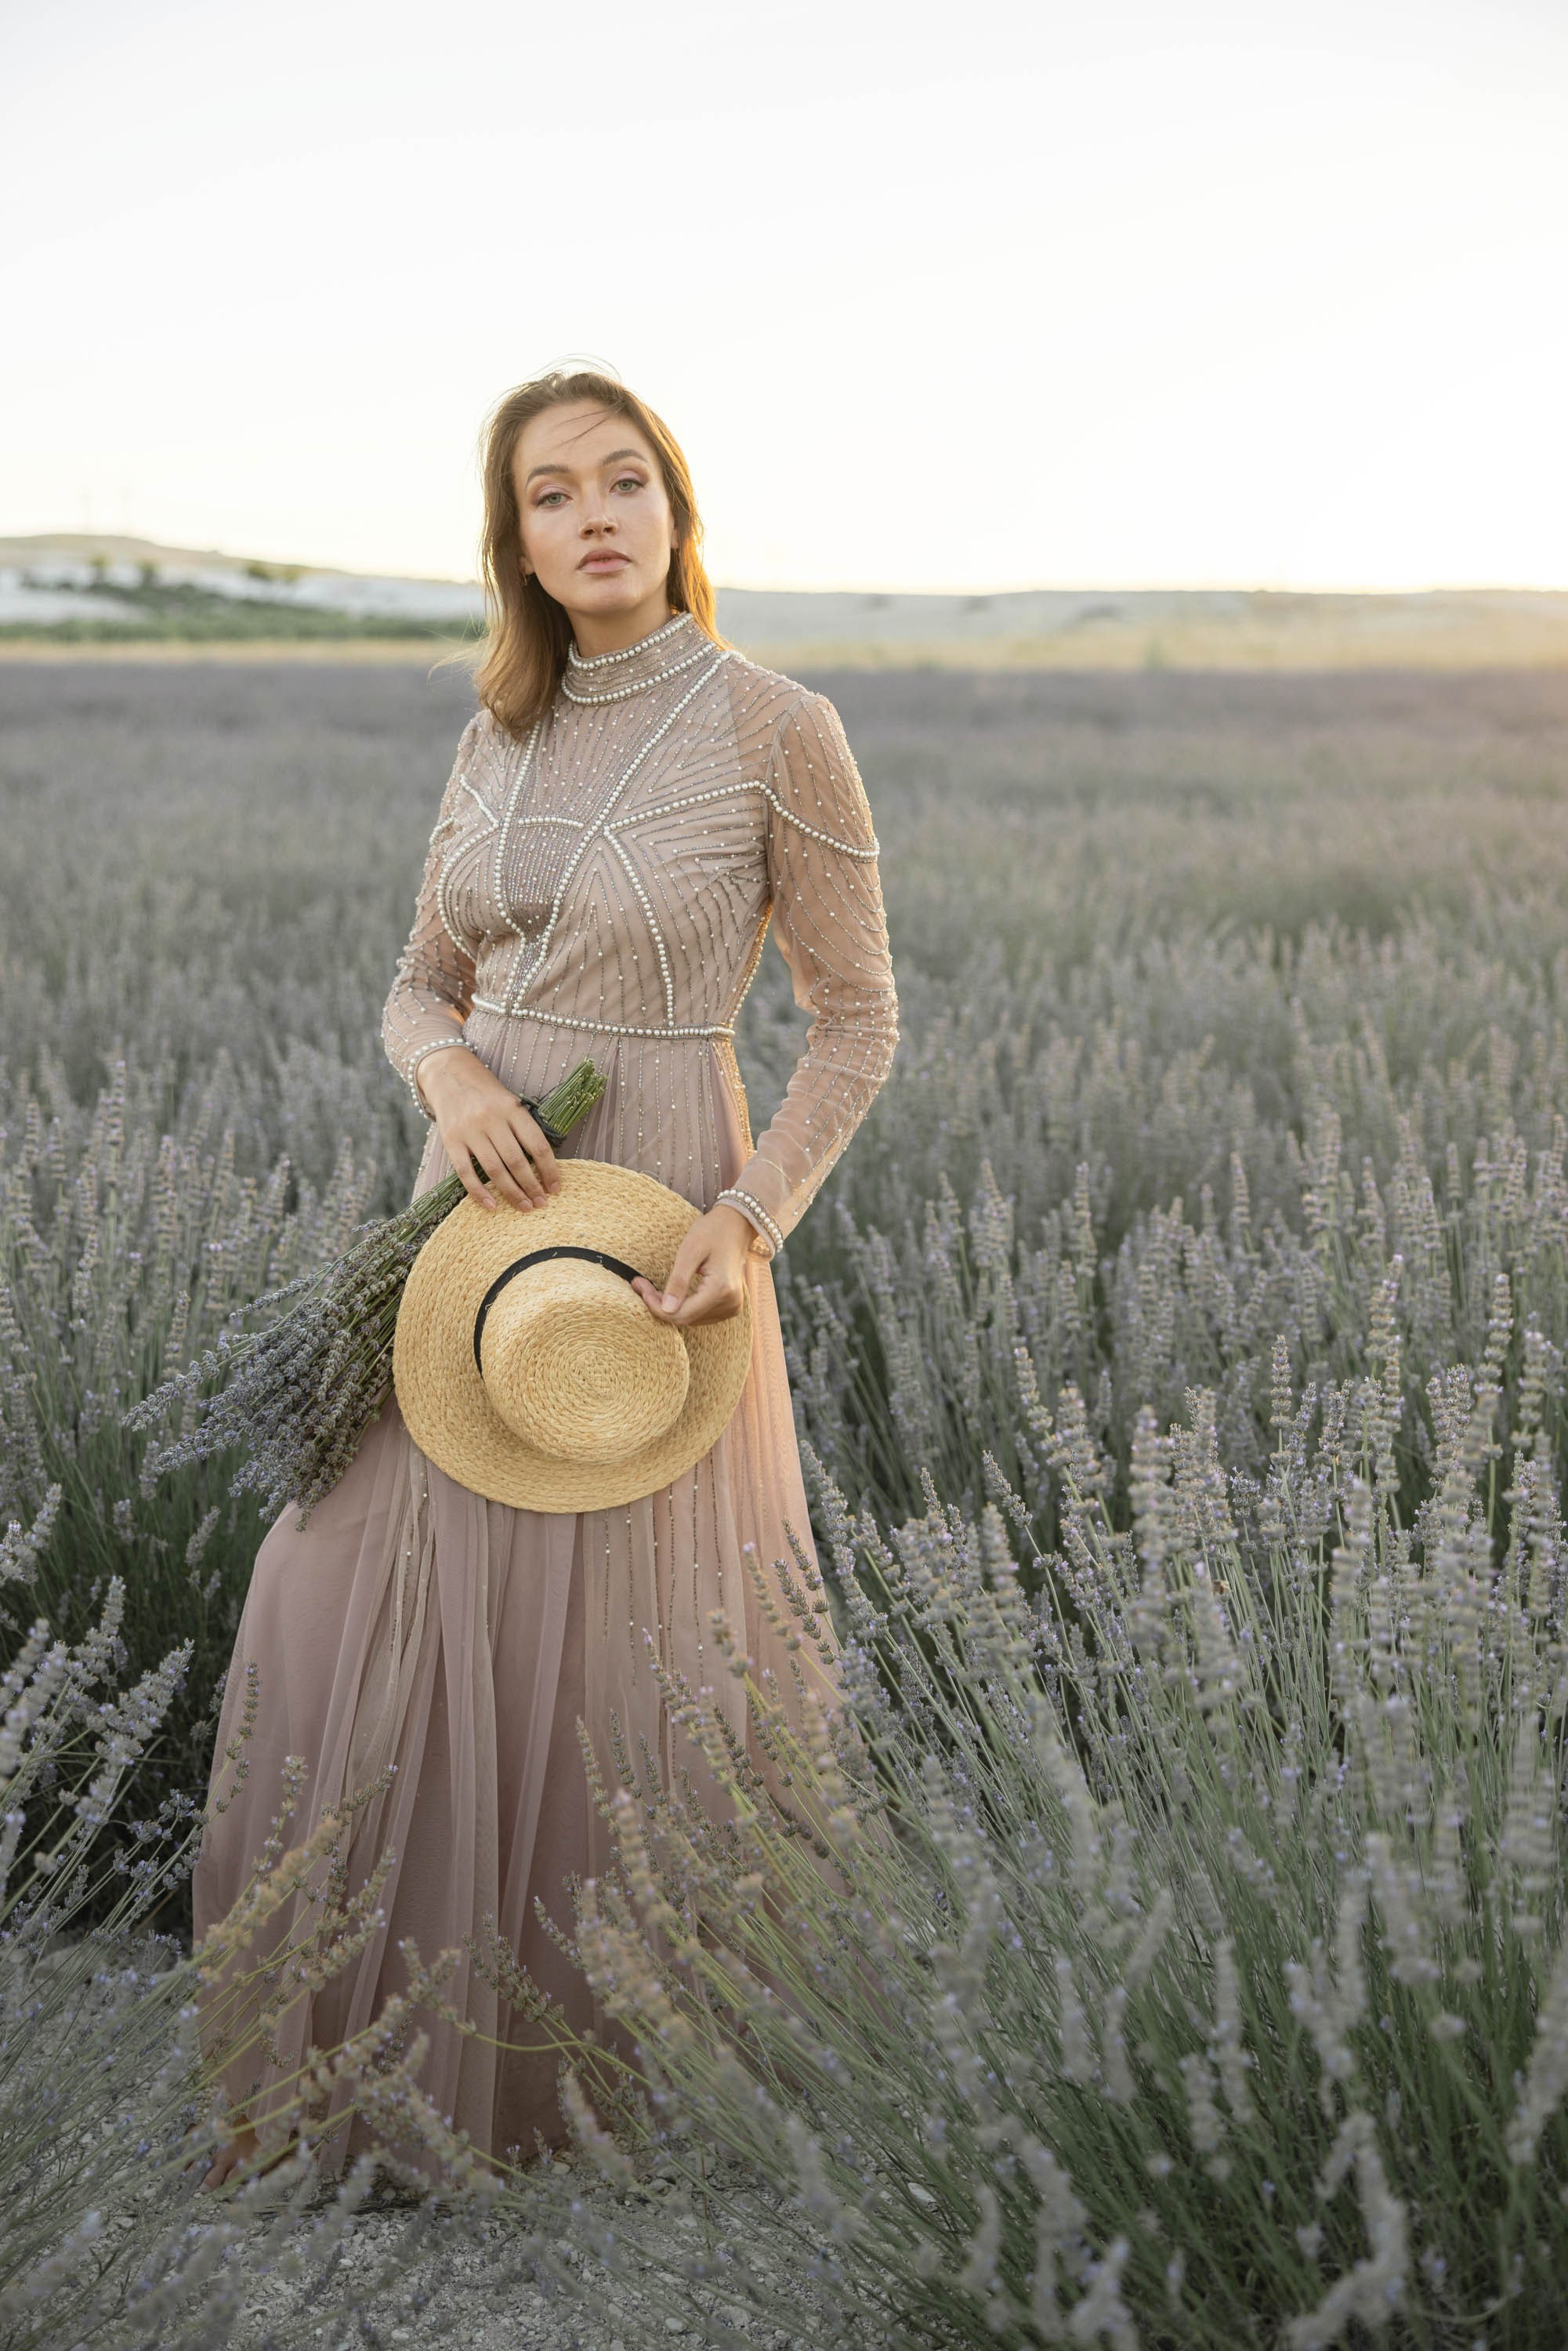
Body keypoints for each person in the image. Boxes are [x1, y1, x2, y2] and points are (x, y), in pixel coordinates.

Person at [192, 368, 899, 2192]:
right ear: (509, 540)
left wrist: (747, 1218)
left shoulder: (774, 727)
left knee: (637, 1627)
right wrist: (446, 1073)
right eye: (547, 496)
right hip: (465, 1220)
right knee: (342, 1570)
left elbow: (854, 1021)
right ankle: (371, 2059)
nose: (590, 517)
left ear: (675, 505)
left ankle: (613, 2093)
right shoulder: (498, 723)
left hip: (661, 1216)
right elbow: (417, 980)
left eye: (620, 482)